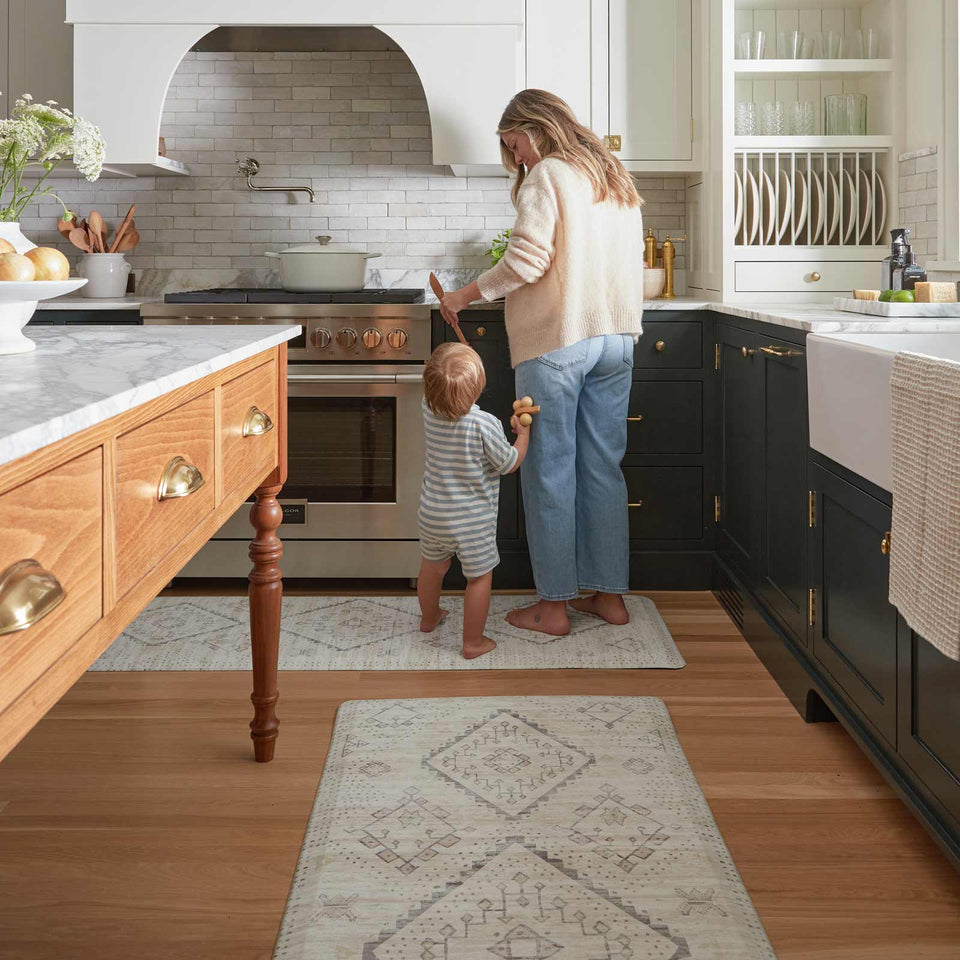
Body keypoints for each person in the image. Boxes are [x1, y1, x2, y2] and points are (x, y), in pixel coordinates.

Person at [437, 88, 645, 637]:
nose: (518, 158)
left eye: (514, 145)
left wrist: (462, 296)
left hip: (558, 342)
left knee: (550, 473)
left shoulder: (549, 174)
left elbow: (527, 260)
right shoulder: (610, 173)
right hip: (615, 340)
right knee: (603, 468)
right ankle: (610, 598)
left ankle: (552, 609)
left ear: (532, 127)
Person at [417, 342, 530, 659]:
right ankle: (472, 643)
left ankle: (429, 619)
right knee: (478, 578)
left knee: (433, 567)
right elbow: (508, 463)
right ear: (479, 387)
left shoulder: (427, 407)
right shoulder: (485, 425)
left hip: (433, 513)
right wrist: (522, 435)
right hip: (472, 521)